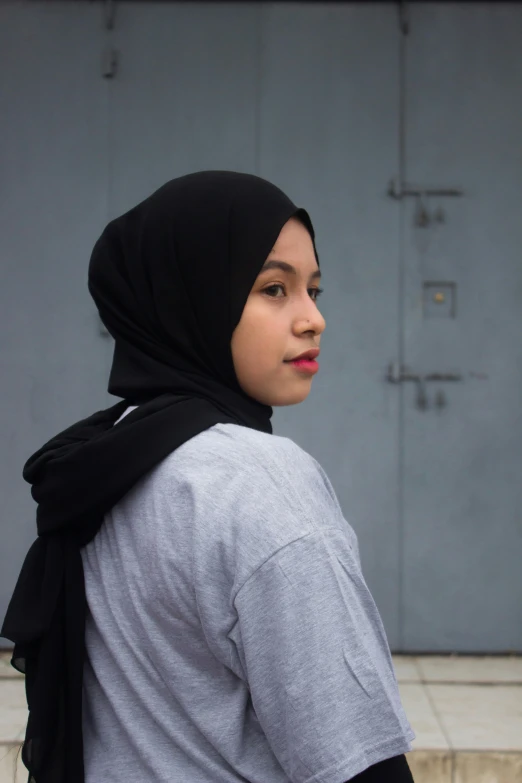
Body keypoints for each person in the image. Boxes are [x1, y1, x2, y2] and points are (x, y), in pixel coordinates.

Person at [1, 171, 415, 783]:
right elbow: (354, 762)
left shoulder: (109, 456)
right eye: (275, 289)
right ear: (189, 297)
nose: (312, 319)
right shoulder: (259, 481)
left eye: (314, 290)